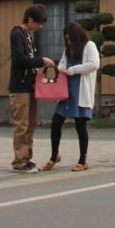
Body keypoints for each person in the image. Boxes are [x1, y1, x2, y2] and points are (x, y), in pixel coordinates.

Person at [43, 21, 99, 172]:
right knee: (56, 123)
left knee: (80, 125)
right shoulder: (68, 48)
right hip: (66, 92)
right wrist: (61, 69)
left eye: (69, 38)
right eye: (66, 39)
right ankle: (54, 156)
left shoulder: (90, 45)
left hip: (80, 91)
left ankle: (83, 160)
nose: (67, 41)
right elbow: (61, 64)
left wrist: (72, 70)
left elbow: (94, 64)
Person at [8, 5, 54, 173]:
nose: (40, 27)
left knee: (30, 124)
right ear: (30, 19)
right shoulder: (17, 33)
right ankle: (19, 161)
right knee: (22, 124)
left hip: (30, 86)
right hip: (19, 87)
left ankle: (27, 158)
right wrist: (41, 60)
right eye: (39, 23)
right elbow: (19, 59)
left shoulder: (28, 35)